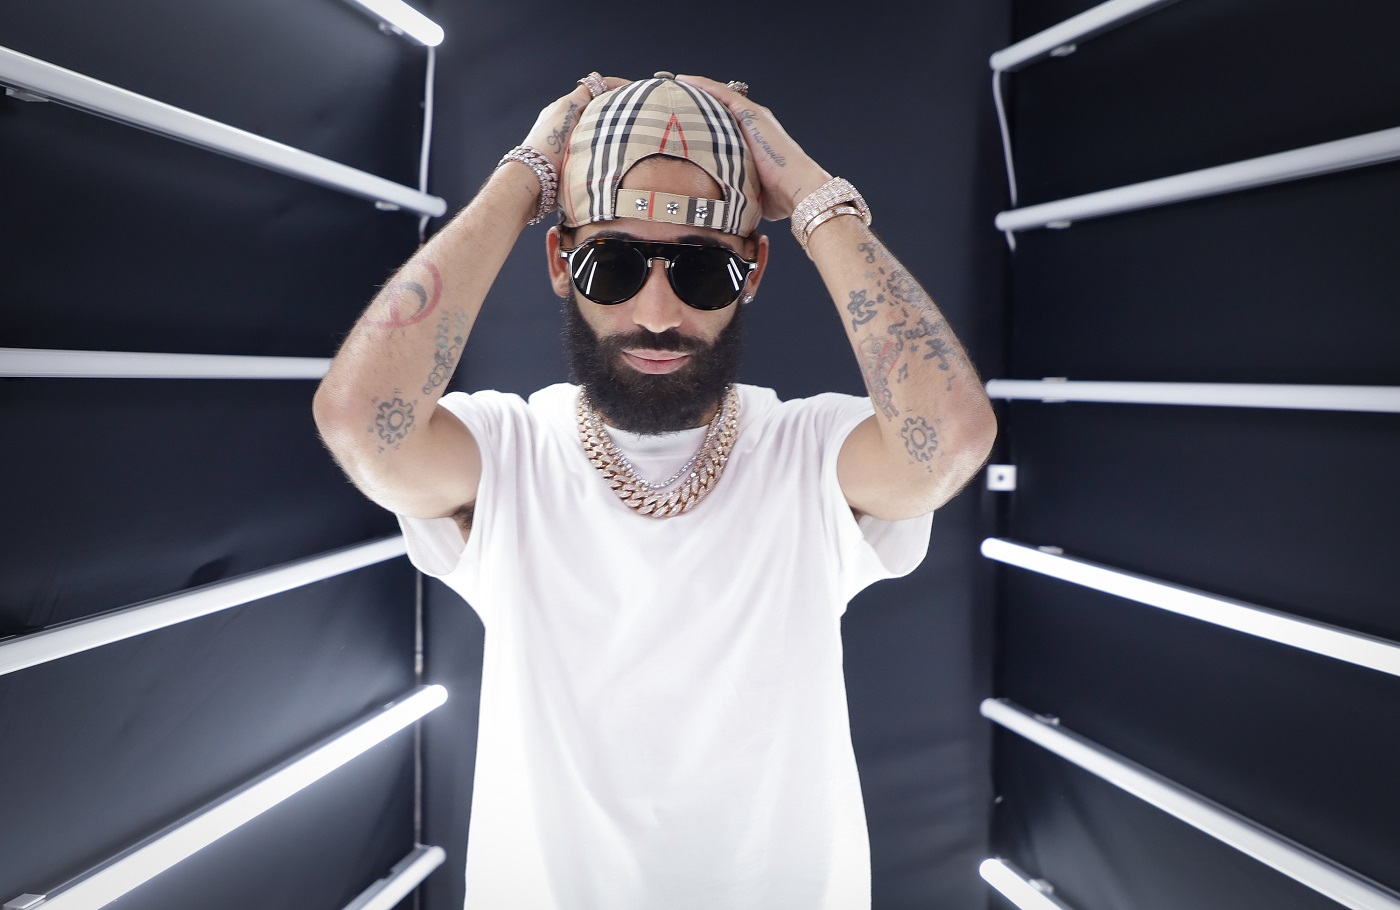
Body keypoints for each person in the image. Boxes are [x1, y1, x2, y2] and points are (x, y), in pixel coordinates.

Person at [313, 70, 996, 910]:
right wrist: (524, 175)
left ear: (753, 271)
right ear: (560, 261)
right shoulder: (509, 451)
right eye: (613, 265)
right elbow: (360, 421)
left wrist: (813, 193)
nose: (659, 314)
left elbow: (950, 438)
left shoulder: (810, 454)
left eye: (704, 271)